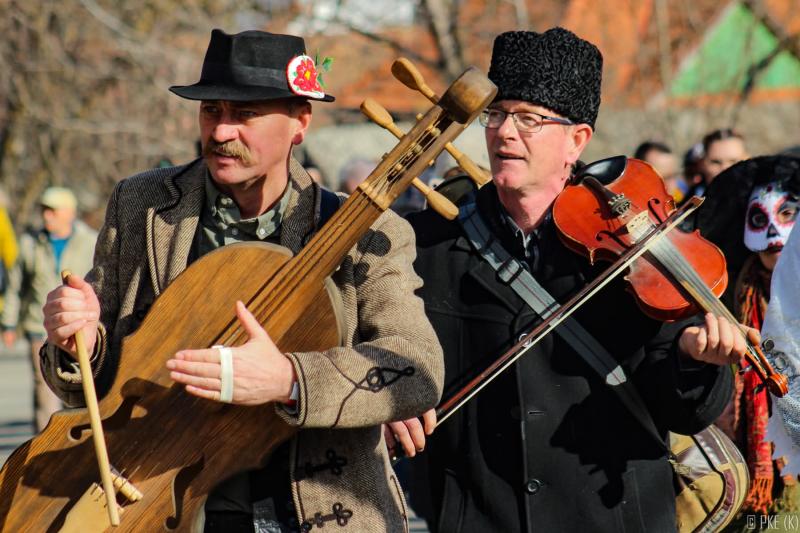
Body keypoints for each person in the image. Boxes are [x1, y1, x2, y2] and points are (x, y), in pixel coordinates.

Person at [39, 29, 443, 532]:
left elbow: (418, 368)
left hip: (318, 509)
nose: (221, 130)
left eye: (246, 114)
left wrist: (288, 380)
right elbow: (91, 384)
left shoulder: (369, 232)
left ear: (300, 122)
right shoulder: (140, 205)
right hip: (162, 503)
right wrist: (75, 342)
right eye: (212, 110)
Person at [392, 28, 749, 532]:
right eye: (497, 114)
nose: (504, 132)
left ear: (577, 140)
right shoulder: (427, 243)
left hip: (613, 517)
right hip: (477, 516)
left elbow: (684, 413)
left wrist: (694, 361)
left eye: (529, 119)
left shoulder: (635, 245)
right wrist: (392, 398)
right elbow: (385, 348)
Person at [690, 155, 800, 525]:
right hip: (749, 482)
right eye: (759, 218)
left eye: (788, 214)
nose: (773, 234)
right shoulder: (724, 299)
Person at [1, 187, 97, 431]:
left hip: (80, 326)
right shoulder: (29, 243)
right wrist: (8, 323)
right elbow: (15, 287)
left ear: (69, 213)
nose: (46, 216)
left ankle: (77, 441)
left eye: (53, 211)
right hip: (39, 325)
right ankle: (46, 442)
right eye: (44, 210)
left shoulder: (90, 241)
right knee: (44, 388)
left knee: (79, 387)